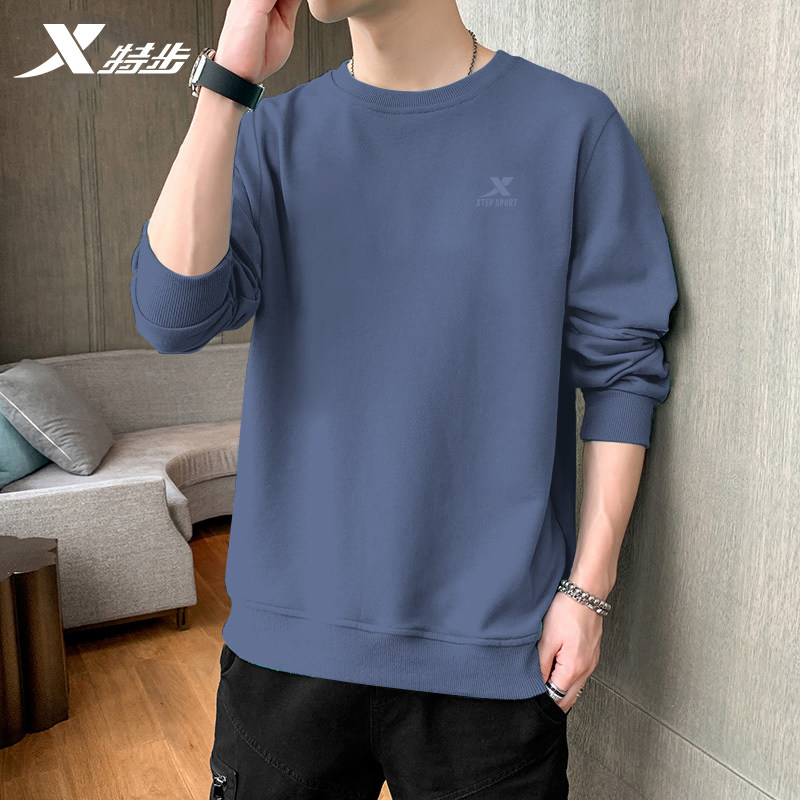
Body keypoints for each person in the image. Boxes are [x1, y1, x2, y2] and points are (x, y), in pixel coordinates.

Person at [129, 0, 678, 797]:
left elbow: (623, 371)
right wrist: (229, 84)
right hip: (287, 657)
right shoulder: (273, 136)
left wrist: (588, 591)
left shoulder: (572, 129)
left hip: (492, 660)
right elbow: (171, 317)